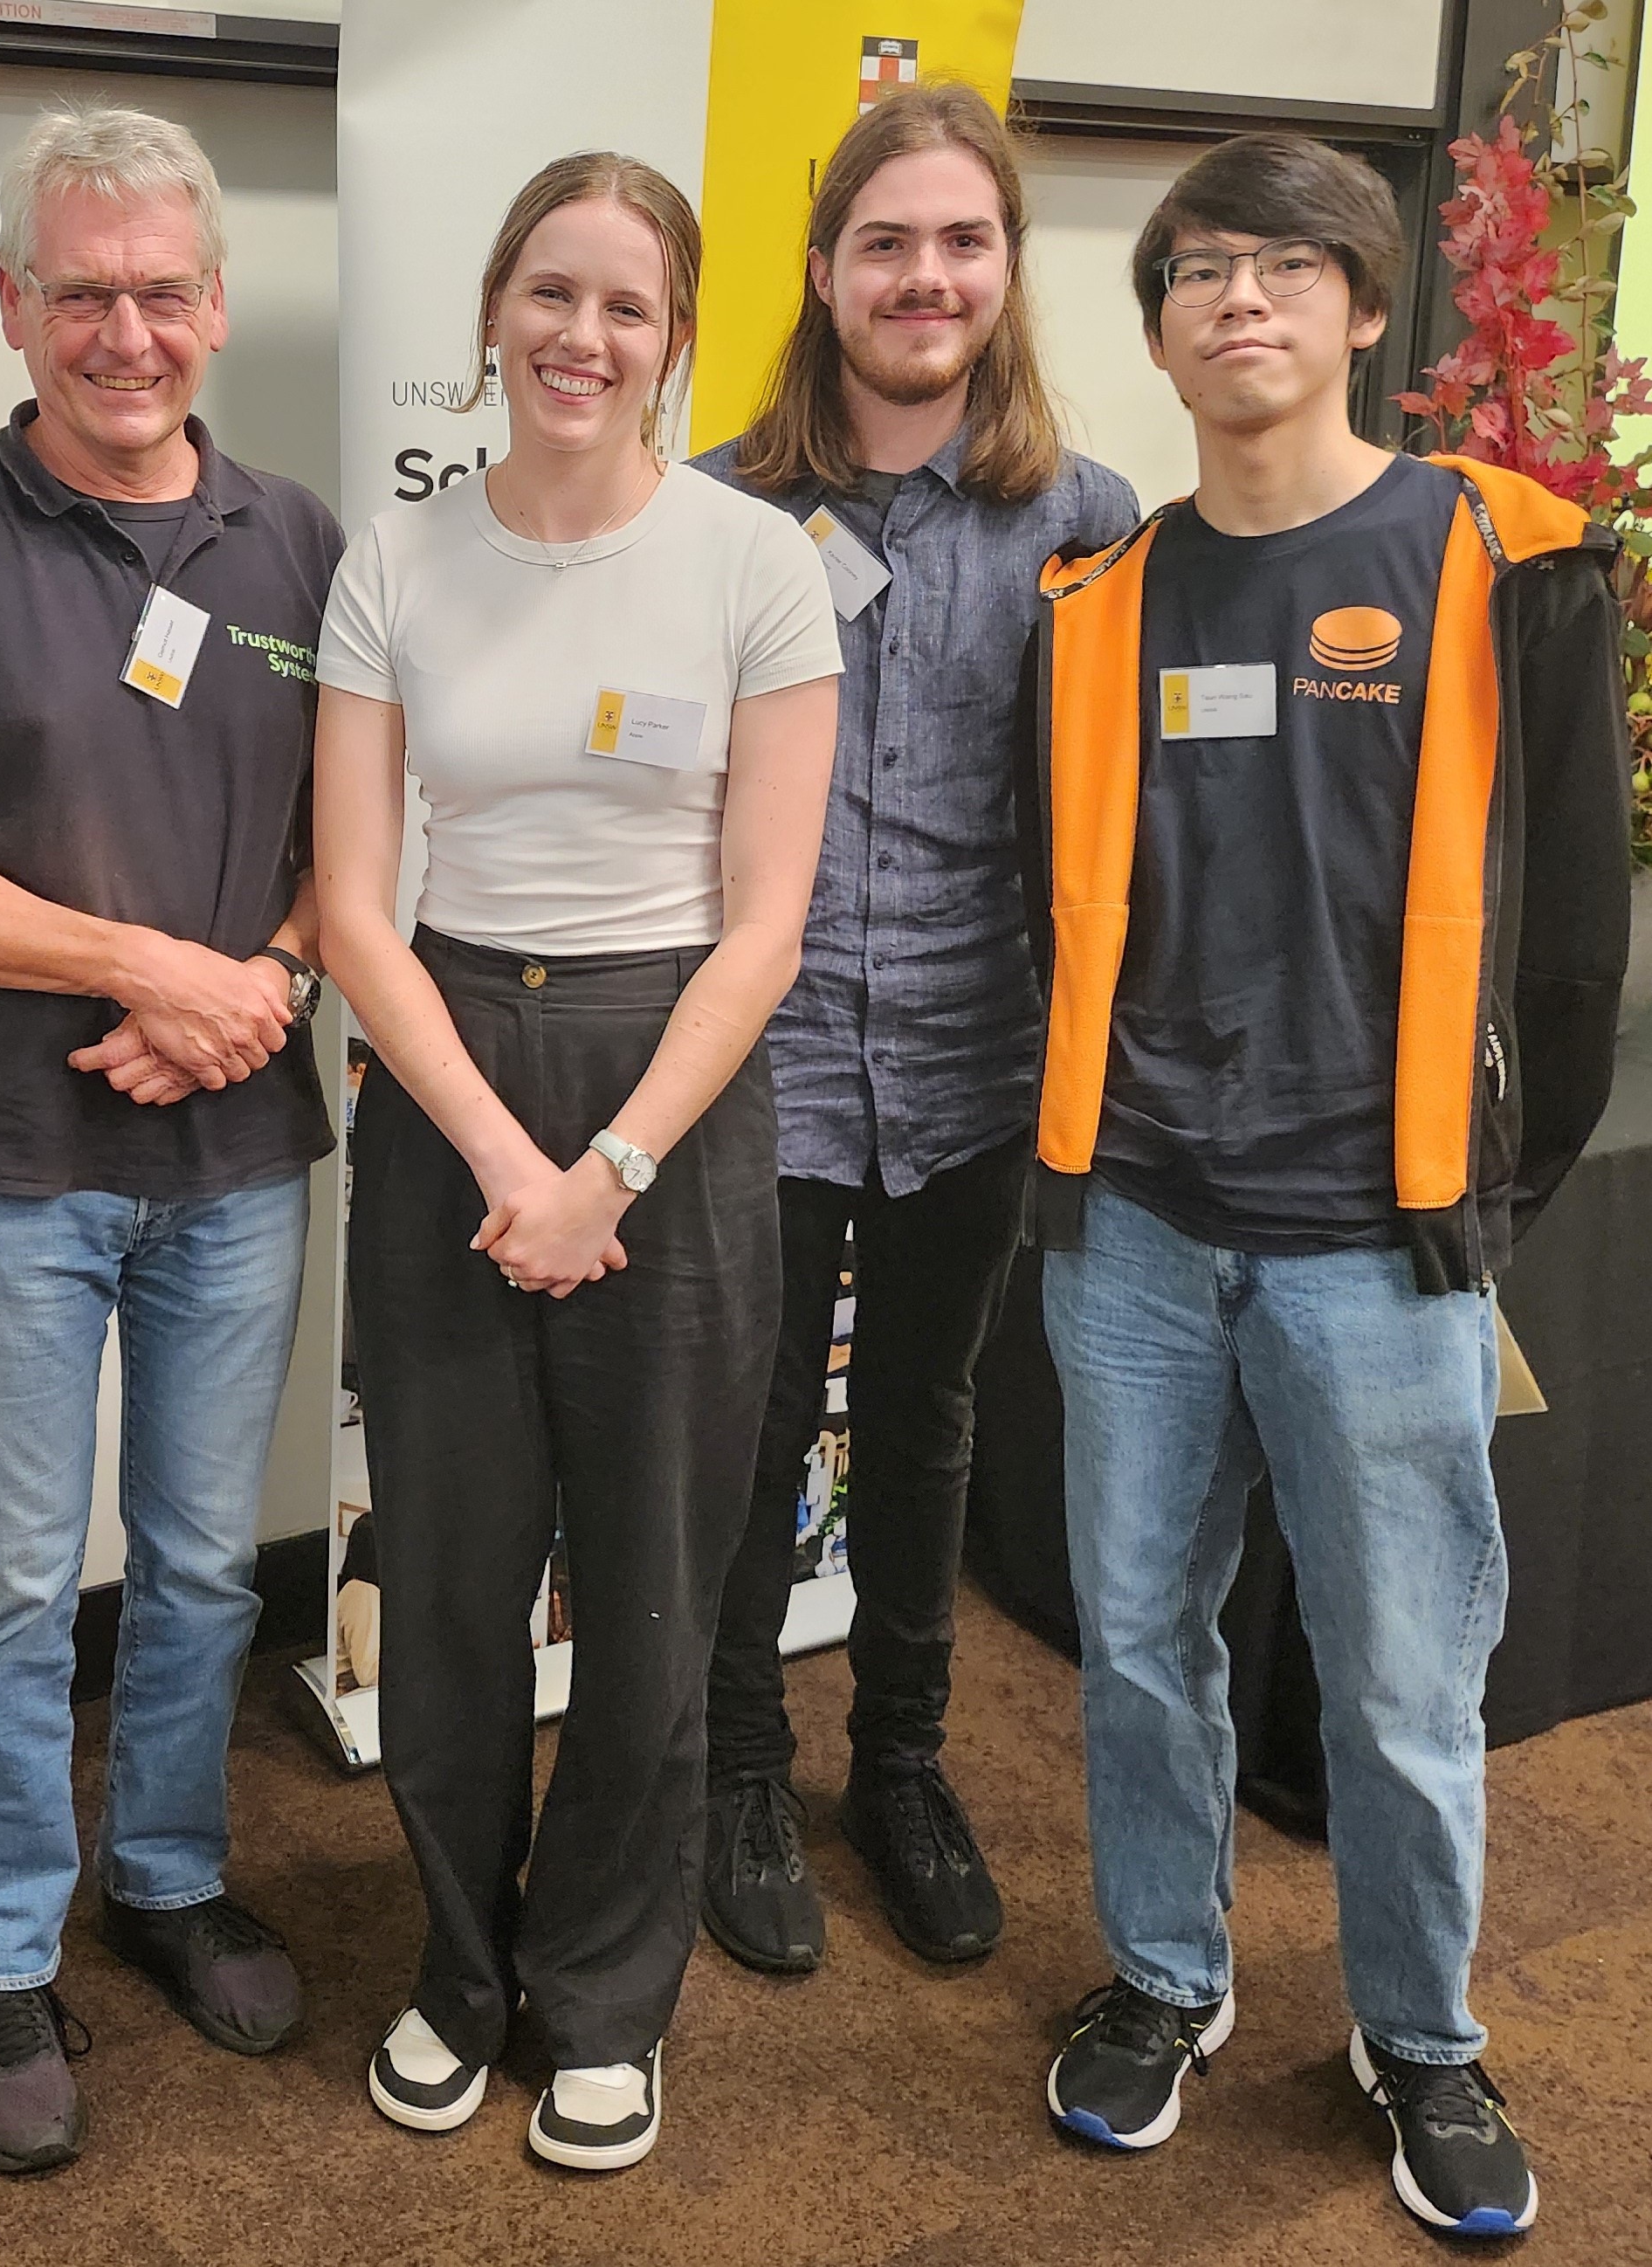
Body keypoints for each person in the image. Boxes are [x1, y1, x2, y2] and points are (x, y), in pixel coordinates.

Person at [1027, 134, 1628, 2239]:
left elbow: (1574, 930)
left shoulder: (1505, 559)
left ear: (1365, 310)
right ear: (1158, 328)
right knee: (1136, 1635)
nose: (1239, 300)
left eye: (1288, 266)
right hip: (1131, 1221)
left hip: (1381, 1236)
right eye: (1198, 269)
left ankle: (1417, 2031)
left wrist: (1487, 1190)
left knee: (1397, 1673)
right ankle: (1163, 1971)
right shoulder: (1095, 602)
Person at [0, 103, 342, 2178]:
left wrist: (252, 990)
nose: (128, 333)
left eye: (163, 292)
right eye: (85, 292)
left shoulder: (299, 544)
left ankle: (170, 1875)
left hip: (238, 1153)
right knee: (18, 1577)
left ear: (218, 304)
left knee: (201, 1563)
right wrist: (146, 964)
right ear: (14, 303)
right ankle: (6, 1951)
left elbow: (355, 843)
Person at [316, 152, 842, 2172]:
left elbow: (766, 921)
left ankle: (607, 1996)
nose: (581, 336)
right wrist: (499, 1154)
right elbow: (352, 908)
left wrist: (605, 1165)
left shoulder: (752, 563)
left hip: (671, 1094)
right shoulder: (394, 558)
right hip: (448, 1061)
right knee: (450, 1580)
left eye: (626, 305)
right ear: (492, 309)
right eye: (550, 292)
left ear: (674, 338)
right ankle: (462, 1970)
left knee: (648, 1582)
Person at [691, 81, 1139, 1976]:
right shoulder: (713, 507)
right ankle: (736, 1768)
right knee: (748, 1425)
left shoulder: (1084, 517)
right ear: (822, 272)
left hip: (976, 1061)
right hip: (763, 1059)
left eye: (962, 241)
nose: (923, 276)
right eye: (885, 243)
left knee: (926, 1417)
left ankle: (899, 1761)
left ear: (1006, 270)